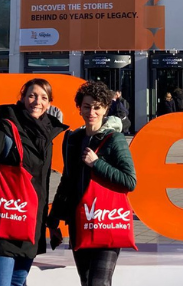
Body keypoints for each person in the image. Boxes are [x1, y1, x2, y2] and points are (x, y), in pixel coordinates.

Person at [0, 79, 68, 286]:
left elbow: (42, 184)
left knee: (18, 281)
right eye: (32, 96)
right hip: (4, 218)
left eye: (43, 98)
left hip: (30, 223)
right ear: (22, 98)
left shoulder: (47, 133)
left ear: (49, 103)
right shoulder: (5, 130)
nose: (37, 102)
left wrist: (49, 223)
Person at [50, 82, 137, 286]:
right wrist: (54, 219)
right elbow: (67, 181)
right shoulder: (73, 139)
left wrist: (97, 164)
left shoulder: (114, 139)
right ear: (79, 108)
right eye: (87, 106)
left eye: (97, 107)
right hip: (80, 220)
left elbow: (130, 180)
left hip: (106, 219)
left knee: (99, 282)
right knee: (86, 281)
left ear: (106, 109)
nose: (92, 112)